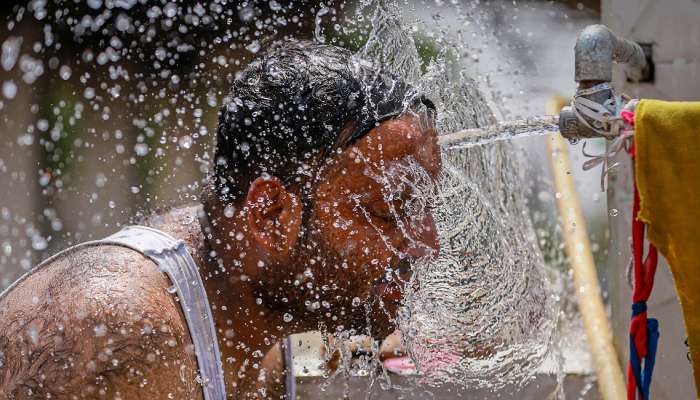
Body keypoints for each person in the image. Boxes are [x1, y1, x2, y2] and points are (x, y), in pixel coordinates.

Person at [0, 40, 441, 399]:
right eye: (390, 211)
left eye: (425, 209)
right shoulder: (121, 339)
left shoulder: (256, 304)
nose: (427, 243)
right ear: (270, 215)